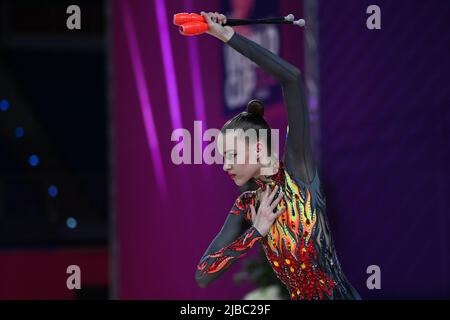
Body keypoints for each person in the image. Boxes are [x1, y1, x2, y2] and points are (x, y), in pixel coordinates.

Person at [194, 11, 361, 300]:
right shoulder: (247, 206)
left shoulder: (297, 172)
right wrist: (255, 233)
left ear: (259, 147)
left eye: (232, 154)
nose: (226, 165)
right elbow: (202, 275)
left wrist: (227, 36)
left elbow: (292, 79)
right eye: (223, 156)